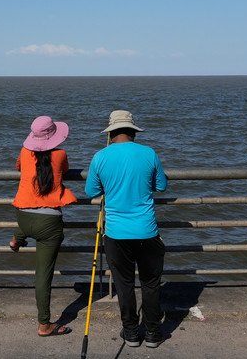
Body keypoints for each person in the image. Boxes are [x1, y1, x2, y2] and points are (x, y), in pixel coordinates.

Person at [85, 109, 168, 348]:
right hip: (148, 231)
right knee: (151, 283)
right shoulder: (149, 153)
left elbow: (91, 192)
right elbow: (160, 186)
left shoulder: (100, 157)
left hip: (116, 233)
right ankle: (153, 332)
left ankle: (131, 332)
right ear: (134, 132)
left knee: (124, 284)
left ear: (110, 134)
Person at [10, 115, 78, 337]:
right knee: (43, 275)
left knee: (29, 222)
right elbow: (64, 170)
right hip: (49, 223)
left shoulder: (24, 152)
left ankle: (17, 238)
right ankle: (44, 324)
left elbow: (19, 167)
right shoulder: (60, 154)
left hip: (23, 217)